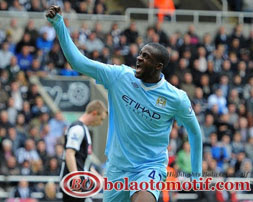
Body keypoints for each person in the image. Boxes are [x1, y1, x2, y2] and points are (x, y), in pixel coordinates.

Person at [46, 6, 202, 202]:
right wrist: (59, 25)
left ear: (158, 66)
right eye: (140, 54)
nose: (139, 58)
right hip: (117, 170)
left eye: (146, 57)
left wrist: (197, 174)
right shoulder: (119, 76)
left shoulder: (176, 98)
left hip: (149, 168)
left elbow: (194, 132)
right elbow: (79, 62)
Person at [59, 100, 107, 202]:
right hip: (73, 185)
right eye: (101, 119)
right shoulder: (77, 128)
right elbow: (69, 154)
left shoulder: (84, 130)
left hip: (82, 184)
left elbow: (85, 163)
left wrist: (98, 177)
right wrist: (75, 177)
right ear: (94, 113)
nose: (100, 123)